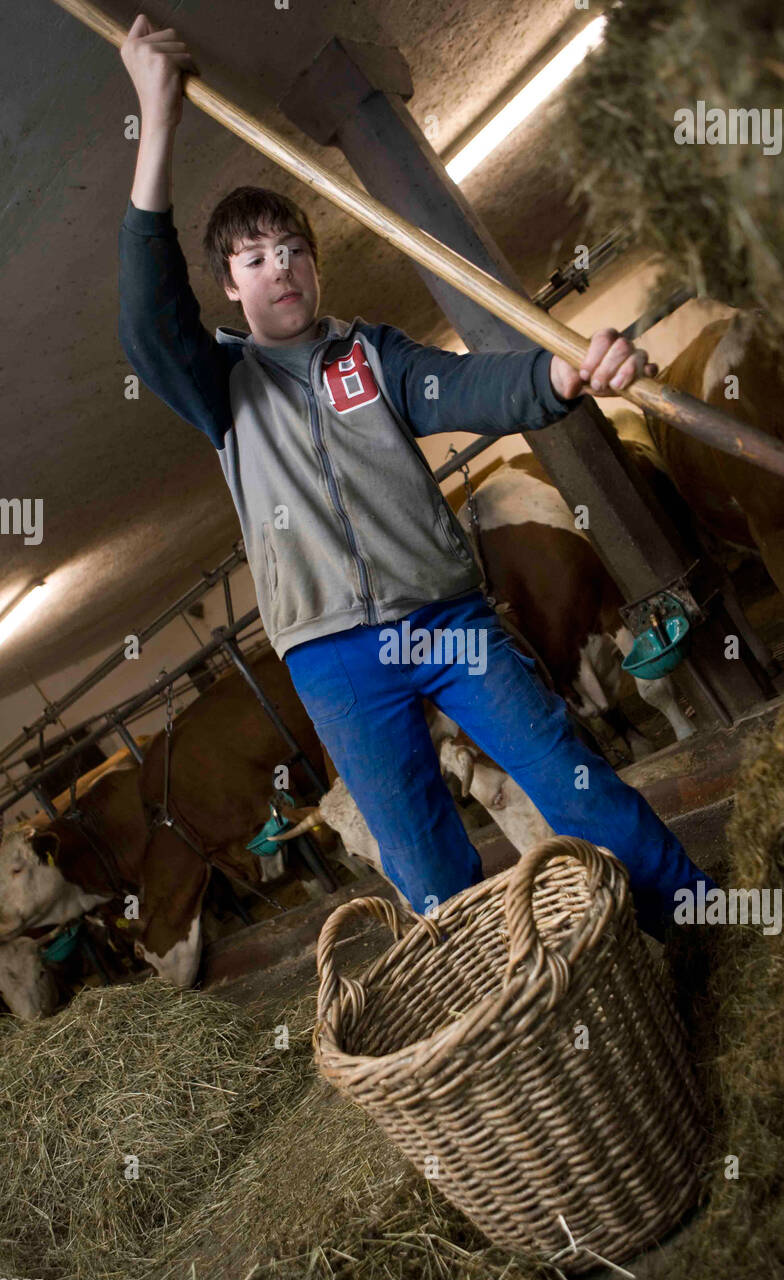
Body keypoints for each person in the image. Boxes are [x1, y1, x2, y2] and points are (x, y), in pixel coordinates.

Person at [118, 14, 714, 934]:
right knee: (424, 859)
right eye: (253, 259)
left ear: (313, 265)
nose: (280, 269)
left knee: (569, 773)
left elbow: (471, 384)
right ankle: (494, 1007)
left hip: (446, 620)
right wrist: (154, 125)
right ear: (229, 287)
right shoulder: (220, 386)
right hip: (334, 656)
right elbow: (150, 323)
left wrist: (564, 370)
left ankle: (688, 917)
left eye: (292, 250)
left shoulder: (373, 355)